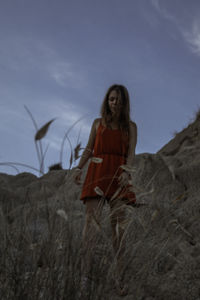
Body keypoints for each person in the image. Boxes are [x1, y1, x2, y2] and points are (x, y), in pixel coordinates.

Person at [73, 84, 137, 296]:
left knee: (118, 231)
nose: (115, 103)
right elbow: (90, 149)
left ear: (125, 102)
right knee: (90, 228)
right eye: (111, 99)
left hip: (119, 177)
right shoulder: (97, 123)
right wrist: (79, 167)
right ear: (106, 101)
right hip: (97, 173)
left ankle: (120, 279)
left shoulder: (131, 126)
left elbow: (130, 154)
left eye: (119, 100)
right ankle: (84, 278)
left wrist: (127, 172)